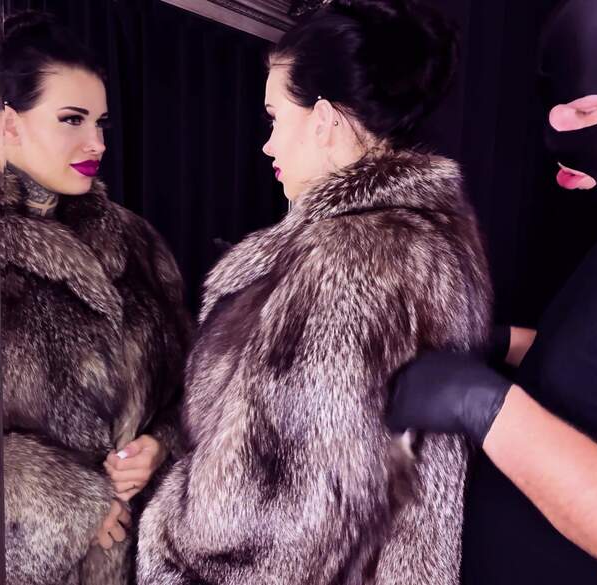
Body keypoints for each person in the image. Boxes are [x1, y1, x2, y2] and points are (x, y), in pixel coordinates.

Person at [135, 1, 492, 584]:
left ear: (323, 119)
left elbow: (267, 523)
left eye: (275, 117)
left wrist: (165, 530)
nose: (268, 144)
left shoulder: (342, 261)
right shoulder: (440, 243)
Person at [388, 1, 597, 583]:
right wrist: (499, 343)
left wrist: (487, 407)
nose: (554, 131)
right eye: (556, 103)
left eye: (586, 109)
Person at [0, 12, 190, 584]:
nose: (97, 143)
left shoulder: (138, 242)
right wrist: (76, 501)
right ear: (7, 123)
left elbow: (191, 383)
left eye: (101, 122)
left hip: (142, 560)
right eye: (72, 120)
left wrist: (160, 444)